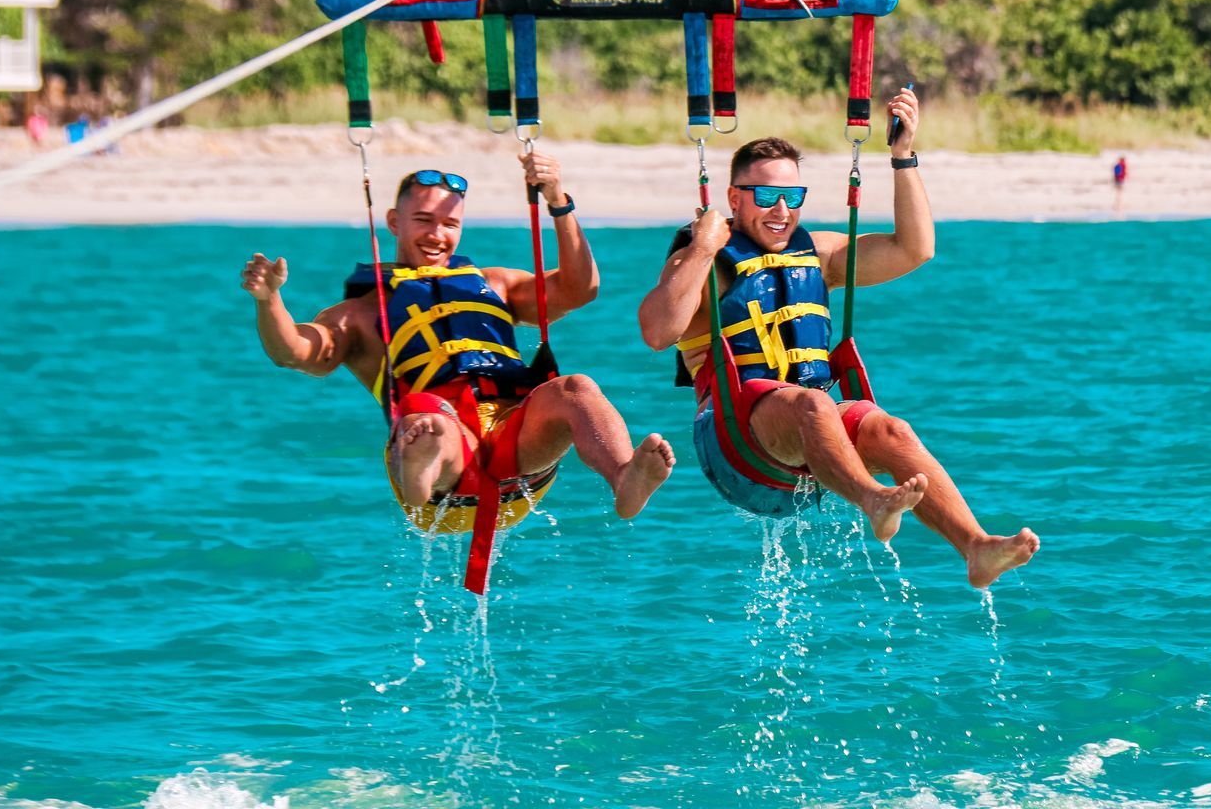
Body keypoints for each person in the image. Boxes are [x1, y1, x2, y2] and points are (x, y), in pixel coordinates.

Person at [637, 89, 1039, 589]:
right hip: (733, 441)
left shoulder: (820, 255)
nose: (781, 209)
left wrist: (902, 156)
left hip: (811, 441)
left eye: (793, 197)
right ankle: (874, 500)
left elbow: (915, 249)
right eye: (765, 197)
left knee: (892, 430)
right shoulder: (705, 263)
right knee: (813, 404)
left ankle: (976, 548)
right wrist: (700, 247)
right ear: (734, 200)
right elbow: (657, 332)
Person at [241, 150, 674, 542]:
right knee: (429, 417)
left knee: (575, 387)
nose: (437, 235)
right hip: (444, 472)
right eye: (424, 220)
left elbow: (581, 288)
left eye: (450, 224)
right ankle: (421, 479)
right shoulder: (357, 314)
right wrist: (269, 300)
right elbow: (294, 352)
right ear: (393, 222)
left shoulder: (495, 284)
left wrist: (558, 200)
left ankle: (624, 478)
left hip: (517, 457)